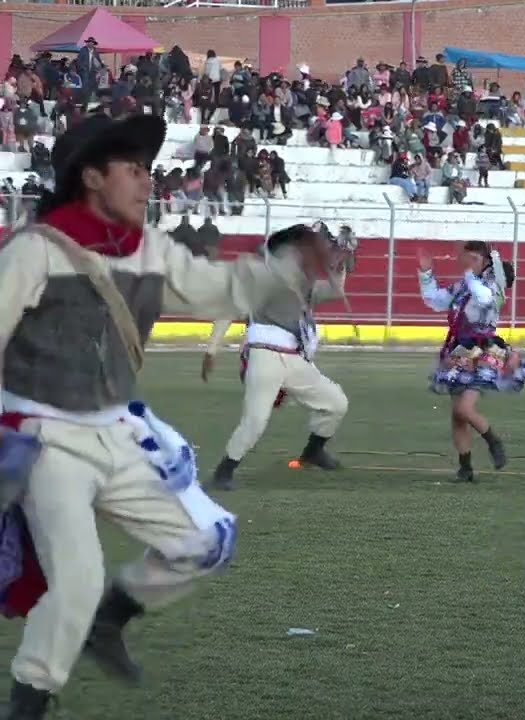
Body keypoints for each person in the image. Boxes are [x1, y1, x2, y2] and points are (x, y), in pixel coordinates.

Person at [0, 112, 333, 717]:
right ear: (93, 178)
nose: (147, 181)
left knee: (205, 540)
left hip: (116, 430)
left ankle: (112, 616)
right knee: (74, 577)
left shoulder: (148, 248)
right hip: (45, 436)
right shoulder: (33, 251)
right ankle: (31, 699)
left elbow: (216, 288)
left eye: (147, 170)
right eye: (134, 170)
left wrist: (285, 271)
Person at [201, 224, 350, 490]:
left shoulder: (302, 280)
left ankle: (313, 452)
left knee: (335, 402)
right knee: (255, 420)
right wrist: (213, 347)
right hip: (265, 354)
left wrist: (340, 265)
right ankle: (223, 471)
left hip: (294, 356)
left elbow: (334, 291)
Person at [419, 240, 525, 483]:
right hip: (459, 350)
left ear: (485, 262)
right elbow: (435, 300)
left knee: (464, 408)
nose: (468, 263)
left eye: (474, 259)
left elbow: (483, 299)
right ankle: (465, 468)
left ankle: (493, 440)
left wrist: (470, 274)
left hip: (482, 351)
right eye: (467, 258)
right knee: (457, 416)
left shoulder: (493, 285)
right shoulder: (463, 285)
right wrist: (426, 274)